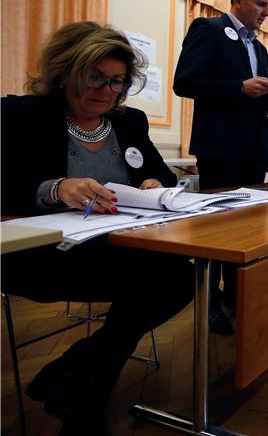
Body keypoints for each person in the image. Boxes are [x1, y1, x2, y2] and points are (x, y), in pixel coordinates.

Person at [1, 22, 194, 434]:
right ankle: (78, 388)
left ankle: (75, 377)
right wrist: (55, 188)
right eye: (94, 77)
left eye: (117, 82)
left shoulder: (129, 122)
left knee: (181, 276)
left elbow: (159, 171)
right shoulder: (19, 115)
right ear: (65, 71)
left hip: (115, 248)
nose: (105, 91)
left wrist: (153, 184)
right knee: (164, 279)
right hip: (40, 253)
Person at [173, 0, 268, 334]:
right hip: (221, 148)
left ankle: (234, 295)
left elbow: (261, 99)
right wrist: (237, 87)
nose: (266, 13)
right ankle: (210, 303)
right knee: (217, 230)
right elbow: (184, 83)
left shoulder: (259, 49)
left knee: (247, 229)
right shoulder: (209, 30)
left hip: (254, 150)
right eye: (261, 4)